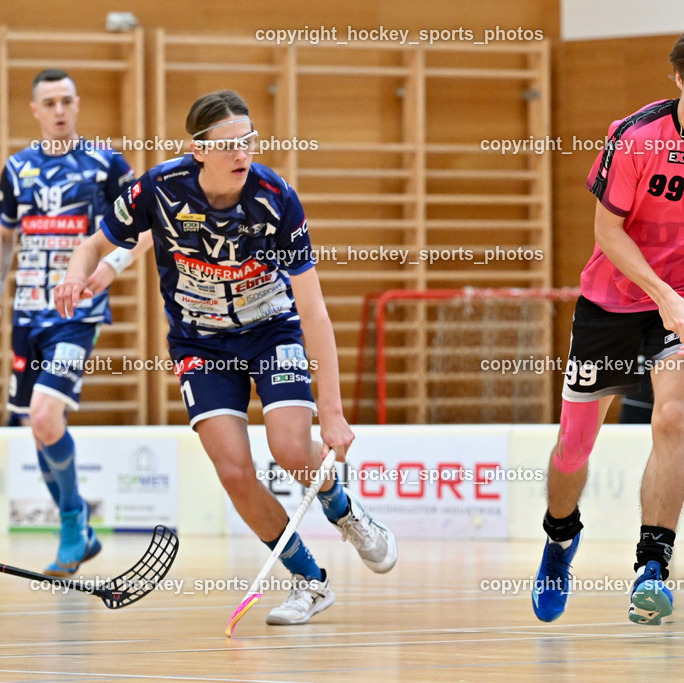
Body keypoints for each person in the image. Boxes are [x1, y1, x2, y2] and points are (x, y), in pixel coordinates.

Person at [55, 90, 397, 625]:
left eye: (249, 140)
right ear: (198, 150)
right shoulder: (160, 188)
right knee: (234, 471)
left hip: (271, 330)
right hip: (200, 343)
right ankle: (309, 581)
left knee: (290, 450)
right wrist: (80, 273)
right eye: (230, 144)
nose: (243, 153)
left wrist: (331, 413)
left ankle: (344, 510)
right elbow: (94, 243)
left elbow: (314, 312)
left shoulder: (275, 198)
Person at [532, 18, 684, 626]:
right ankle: (560, 539)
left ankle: (652, 568)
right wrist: (658, 290)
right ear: (678, 80)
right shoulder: (635, 138)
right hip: (612, 301)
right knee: (574, 446)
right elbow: (607, 231)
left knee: (670, 418)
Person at [0, 69, 148, 577]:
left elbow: (144, 230)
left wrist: (109, 270)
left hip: (75, 314)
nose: (60, 110)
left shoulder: (107, 166)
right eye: (50, 102)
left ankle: (71, 520)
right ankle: (81, 532)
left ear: (78, 105)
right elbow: (5, 239)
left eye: (67, 100)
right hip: (26, 314)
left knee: (43, 415)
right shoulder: (16, 169)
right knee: (31, 423)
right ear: (35, 110)